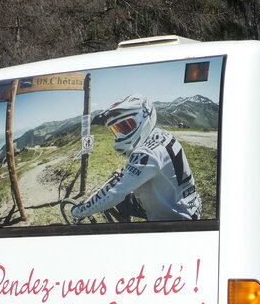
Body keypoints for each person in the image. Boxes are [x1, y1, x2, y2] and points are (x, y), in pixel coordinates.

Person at [70, 95, 201, 222]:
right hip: (188, 205)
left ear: (144, 118)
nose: (121, 134)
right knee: (125, 202)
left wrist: (79, 211)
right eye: (117, 129)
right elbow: (151, 166)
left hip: (173, 218)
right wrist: (125, 170)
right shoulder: (161, 134)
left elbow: (113, 194)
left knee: (116, 199)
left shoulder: (146, 153)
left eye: (126, 126)